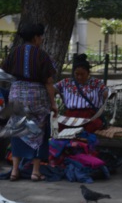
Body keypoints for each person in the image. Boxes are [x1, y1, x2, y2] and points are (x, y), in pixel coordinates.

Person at [1, 22, 57, 181]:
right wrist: (53, 104)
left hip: (16, 93)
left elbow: (4, 73)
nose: (41, 39)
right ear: (35, 37)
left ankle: (14, 171)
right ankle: (35, 171)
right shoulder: (42, 55)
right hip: (36, 96)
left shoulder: (14, 53)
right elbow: (48, 81)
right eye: (40, 36)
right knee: (39, 129)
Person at [54, 53, 108, 134]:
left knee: (91, 127)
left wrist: (108, 94)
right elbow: (52, 89)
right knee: (60, 126)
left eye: (82, 74)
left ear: (88, 72)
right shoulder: (66, 82)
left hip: (90, 116)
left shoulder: (96, 83)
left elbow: (107, 93)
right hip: (71, 115)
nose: (79, 77)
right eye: (77, 74)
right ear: (74, 73)